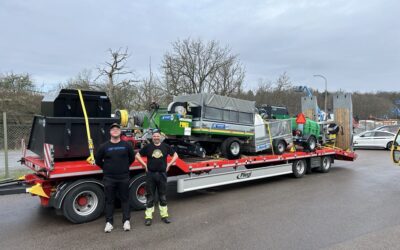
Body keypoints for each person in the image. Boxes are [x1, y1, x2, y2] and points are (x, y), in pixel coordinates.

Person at [95, 123, 134, 233]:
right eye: (113, 129)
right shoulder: (104, 146)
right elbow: (98, 160)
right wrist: (106, 169)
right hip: (109, 178)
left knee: (125, 199)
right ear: (110, 132)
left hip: (123, 177)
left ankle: (126, 221)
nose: (115, 130)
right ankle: (109, 223)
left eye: (117, 129)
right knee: (109, 201)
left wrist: (124, 167)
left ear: (120, 132)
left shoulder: (127, 145)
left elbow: (131, 159)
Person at [135, 130, 178, 226]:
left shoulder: (165, 147)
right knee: (150, 197)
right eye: (154, 136)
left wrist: (169, 164)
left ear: (160, 137)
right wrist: (144, 165)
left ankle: (164, 216)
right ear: (152, 137)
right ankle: (148, 217)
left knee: (162, 196)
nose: (156, 138)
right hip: (151, 174)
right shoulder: (148, 147)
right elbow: (137, 155)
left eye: (157, 136)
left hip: (162, 174)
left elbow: (176, 155)